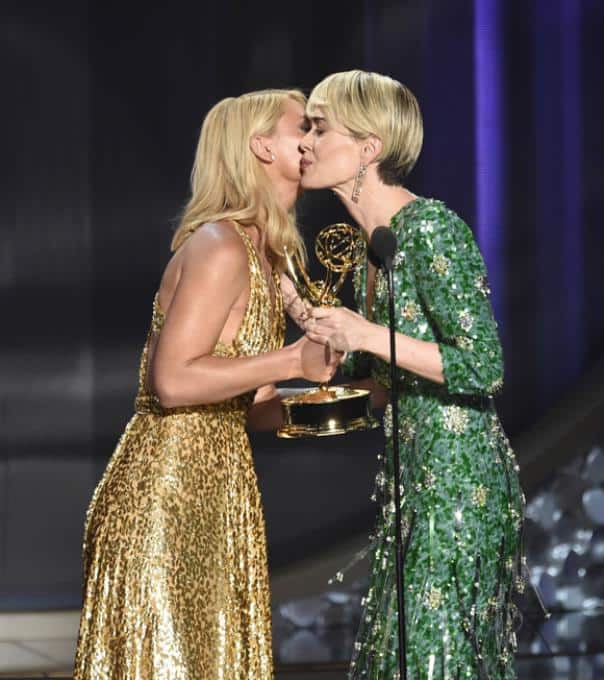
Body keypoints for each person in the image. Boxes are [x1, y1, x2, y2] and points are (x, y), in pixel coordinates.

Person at [73, 89, 338, 679]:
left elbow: (252, 406)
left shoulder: (265, 256)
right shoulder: (221, 245)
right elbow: (172, 380)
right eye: (304, 126)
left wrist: (344, 406)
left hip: (220, 504)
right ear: (261, 146)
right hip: (163, 508)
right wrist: (291, 359)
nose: (314, 139)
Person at [300, 70, 525, 679]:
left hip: (459, 486)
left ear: (368, 149)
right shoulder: (373, 249)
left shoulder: (430, 229)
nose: (305, 143)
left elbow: (484, 363)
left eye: (320, 129)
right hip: (412, 482)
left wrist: (365, 334)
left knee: (434, 660)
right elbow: (380, 382)